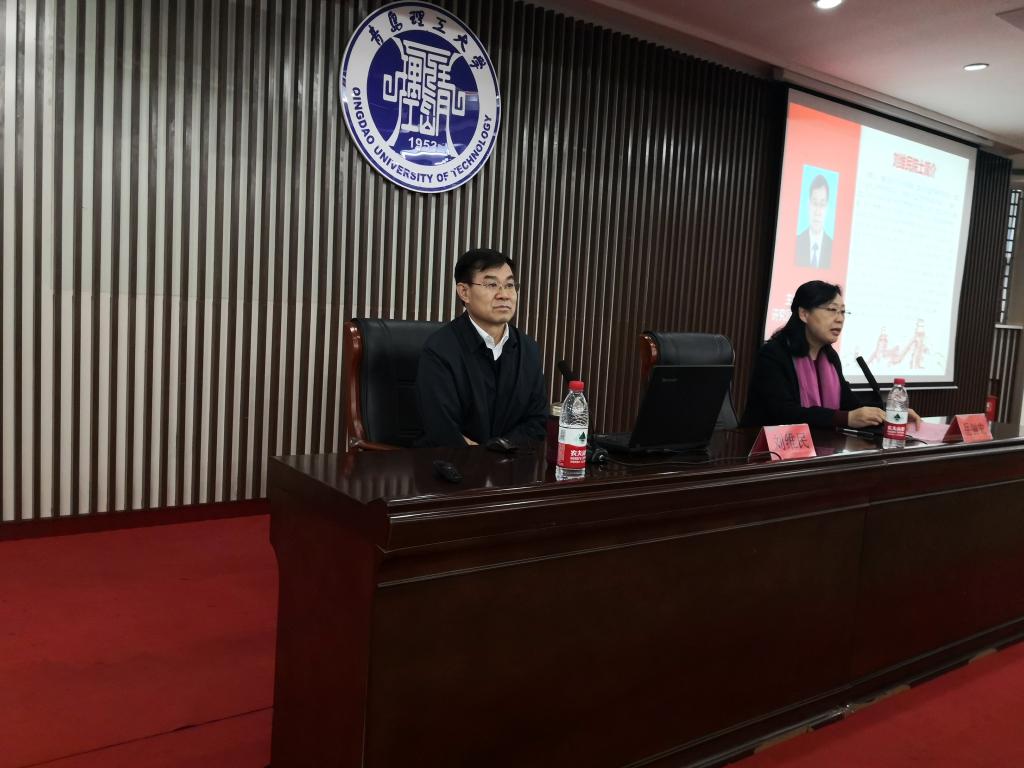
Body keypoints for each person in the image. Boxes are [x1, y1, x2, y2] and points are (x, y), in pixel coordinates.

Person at [742, 280, 921, 429]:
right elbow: (784, 413)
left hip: (817, 449)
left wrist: (893, 413)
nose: (840, 319)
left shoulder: (829, 358)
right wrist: (845, 418)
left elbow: (850, 405)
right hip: (764, 451)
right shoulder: (774, 355)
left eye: (842, 312)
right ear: (804, 314)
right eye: (832, 310)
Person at [416, 248, 547, 448]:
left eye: (509, 285)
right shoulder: (439, 350)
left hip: (512, 463)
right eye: (492, 285)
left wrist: (497, 450)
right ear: (464, 292)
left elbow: (537, 423)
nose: (504, 295)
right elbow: (441, 429)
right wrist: (481, 458)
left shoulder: (528, 350)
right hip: (453, 462)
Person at [795, 174, 833, 269]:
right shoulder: (797, 242)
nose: (817, 211)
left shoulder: (832, 246)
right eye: (814, 203)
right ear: (808, 204)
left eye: (822, 204)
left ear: (827, 207)